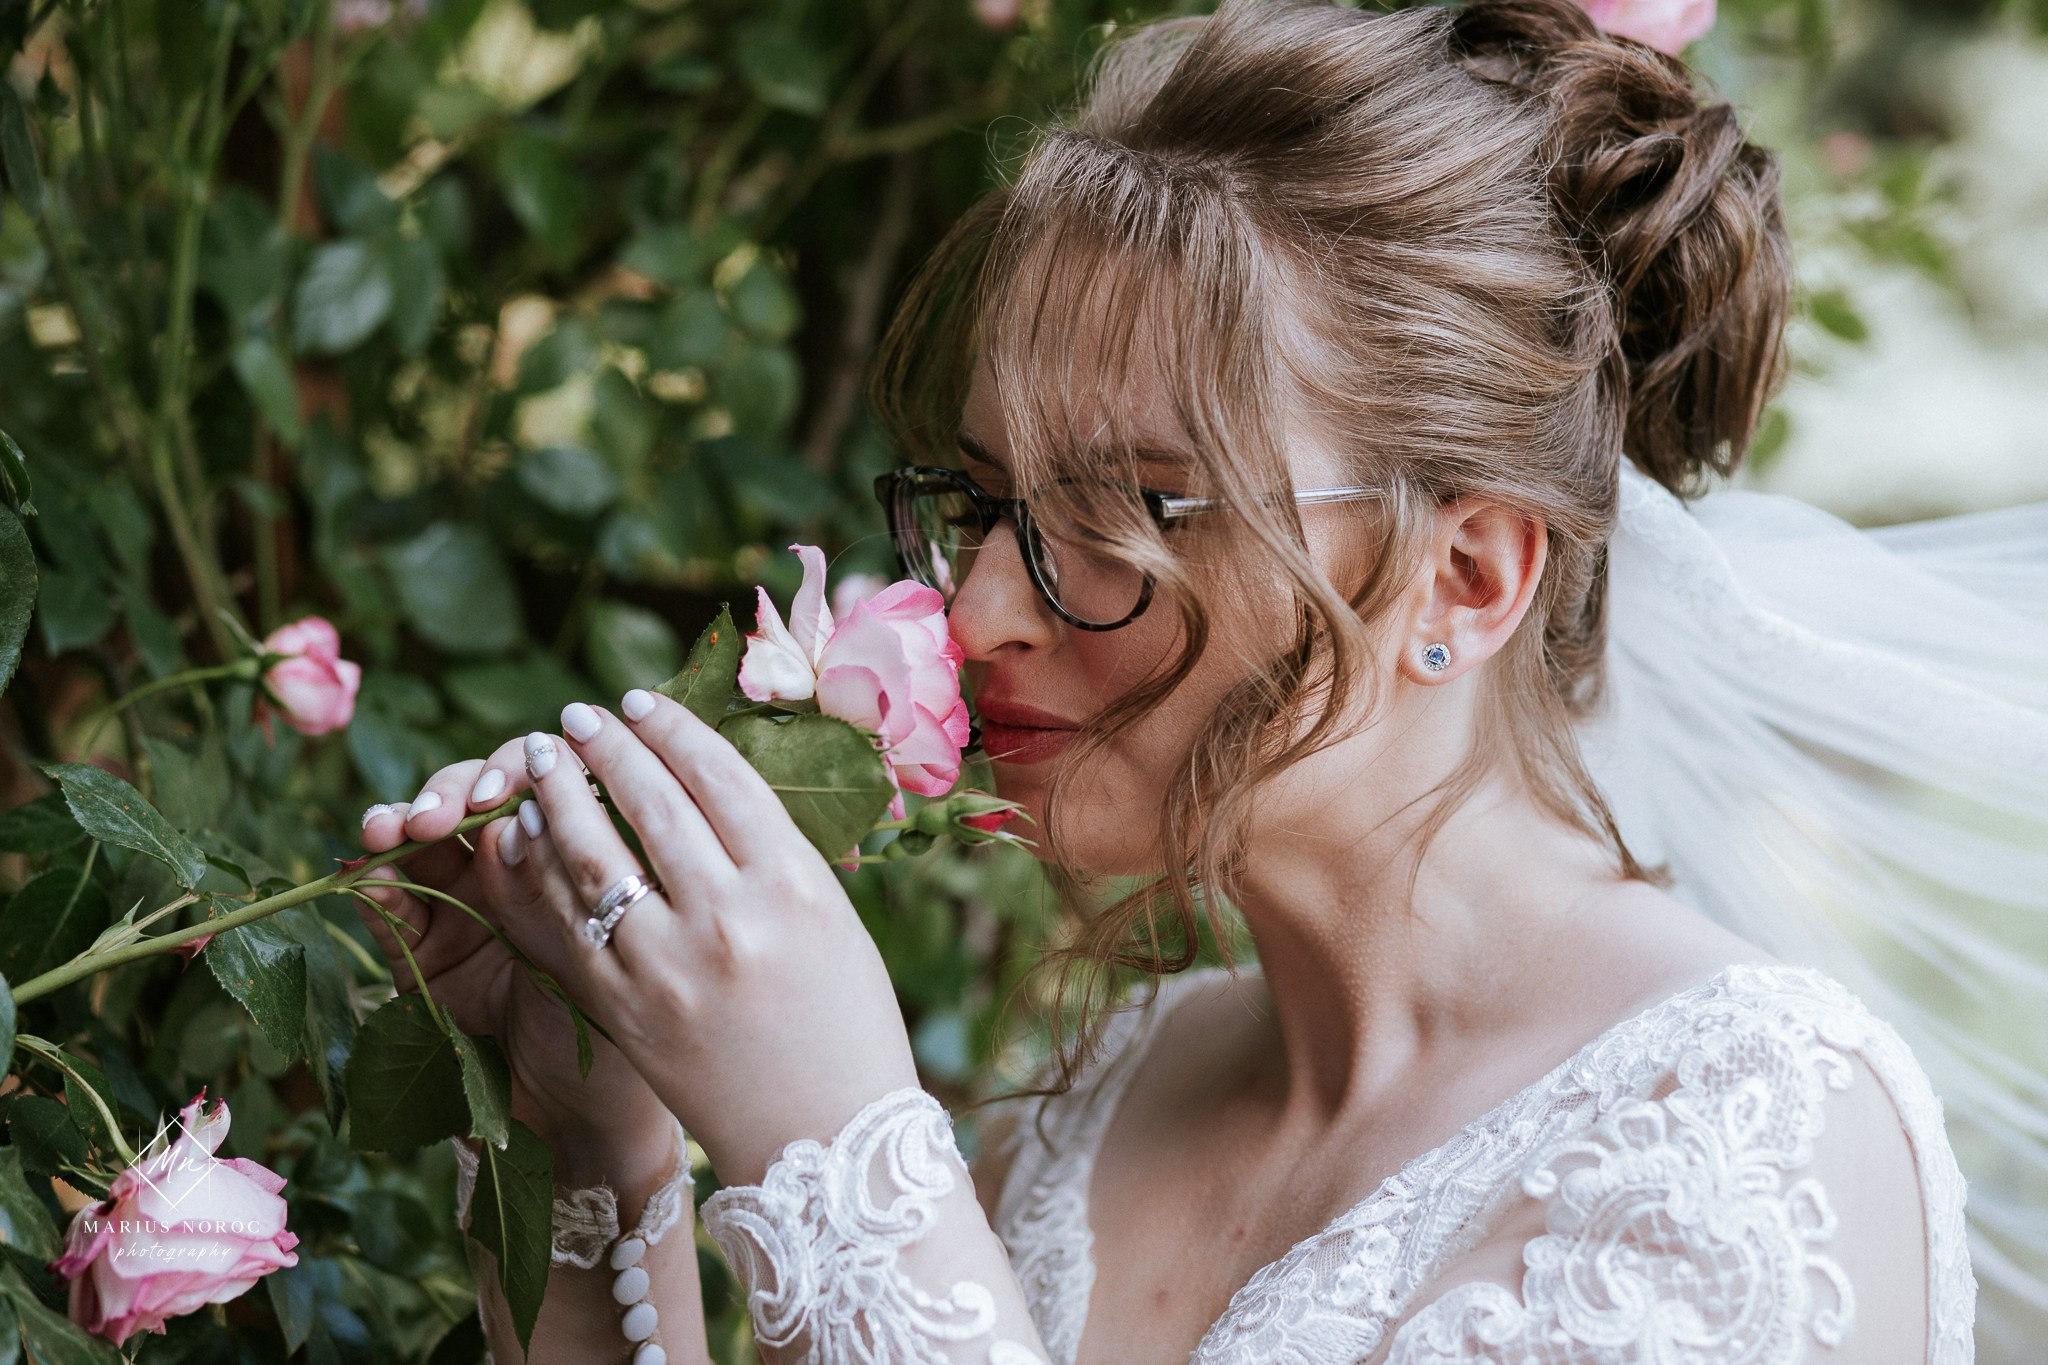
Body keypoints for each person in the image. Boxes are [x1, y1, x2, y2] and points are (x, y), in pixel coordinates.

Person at [351, 0, 2024, 1360]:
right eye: (990, 501)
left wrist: (837, 1146)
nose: (985, 605)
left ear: (1469, 572)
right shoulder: (1092, 1111)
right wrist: (600, 1145)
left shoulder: (1748, 1142)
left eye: (1130, 510)